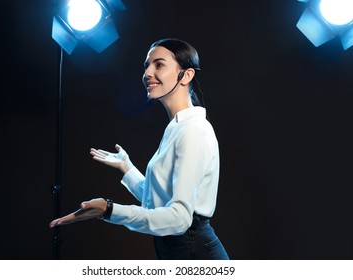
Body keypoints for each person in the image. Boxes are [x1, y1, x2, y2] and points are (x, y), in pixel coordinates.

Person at [49, 38, 229, 260]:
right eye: (147, 65)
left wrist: (110, 209)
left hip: (193, 252)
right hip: (180, 248)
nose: (147, 73)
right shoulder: (178, 127)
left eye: (159, 65)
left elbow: (179, 218)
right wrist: (127, 168)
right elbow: (160, 201)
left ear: (187, 75)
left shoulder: (192, 130)